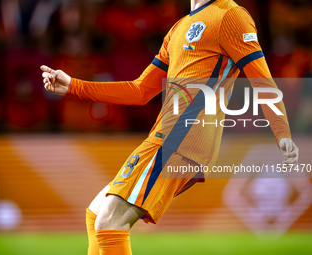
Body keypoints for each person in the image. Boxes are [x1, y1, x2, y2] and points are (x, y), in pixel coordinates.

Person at [41, 0, 299, 254]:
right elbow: (140, 91)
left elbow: (263, 81)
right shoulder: (178, 28)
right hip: (165, 136)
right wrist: (74, 85)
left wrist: (282, 133)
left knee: (110, 222)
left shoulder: (230, 15)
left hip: (182, 139)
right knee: (96, 213)